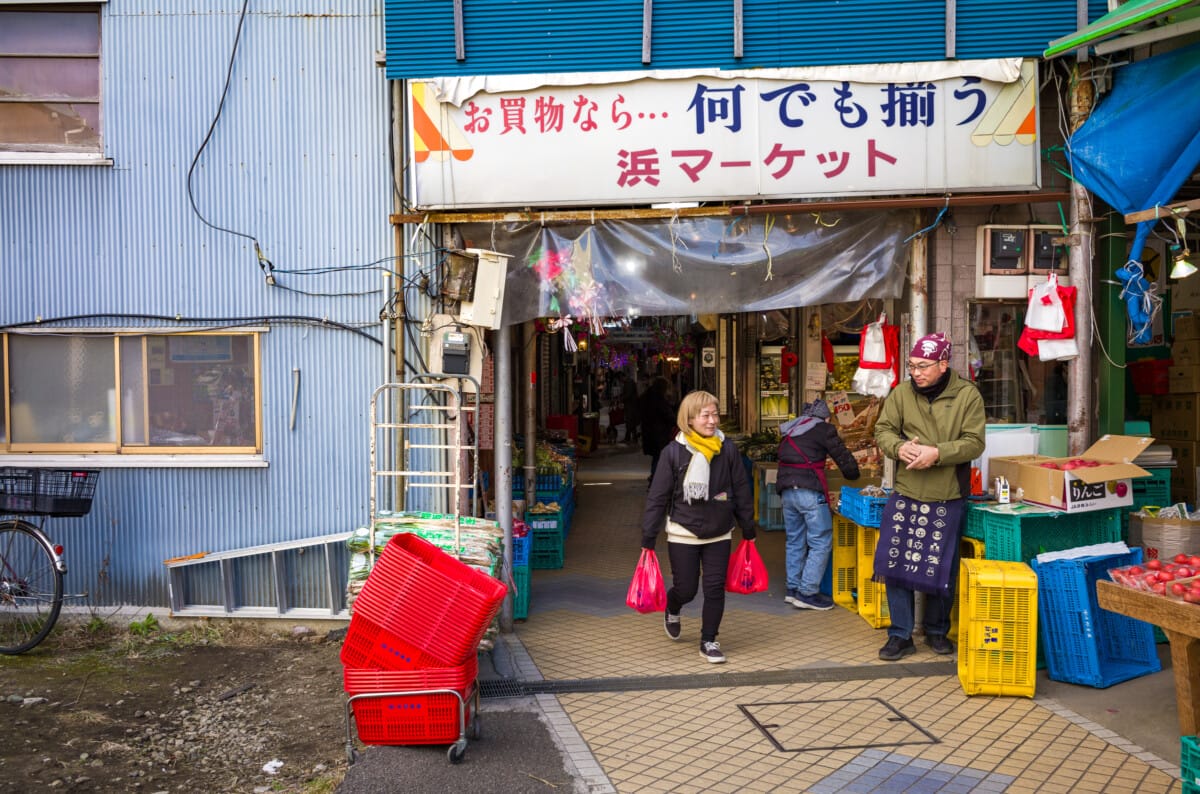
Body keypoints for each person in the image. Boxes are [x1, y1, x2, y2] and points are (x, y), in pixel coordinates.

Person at [873, 332, 986, 661]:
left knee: (942, 566)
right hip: (907, 491)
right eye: (912, 366)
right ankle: (900, 634)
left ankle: (937, 631)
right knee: (894, 563)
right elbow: (883, 430)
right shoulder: (901, 394)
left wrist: (937, 453)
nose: (916, 372)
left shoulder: (967, 395)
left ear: (943, 364)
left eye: (923, 366)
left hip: (947, 494)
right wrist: (900, 447)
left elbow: (975, 443)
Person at [641, 390, 756, 664]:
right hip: (683, 531)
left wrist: (748, 525)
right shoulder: (673, 453)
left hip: (720, 530)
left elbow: (741, 487)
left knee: (715, 588)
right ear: (689, 419)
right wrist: (648, 535)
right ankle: (673, 605)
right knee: (687, 588)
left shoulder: (727, 449)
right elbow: (658, 497)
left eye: (715, 414)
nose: (712, 420)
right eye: (706, 415)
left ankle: (709, 640)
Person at [775, 399, 860, 610]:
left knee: (794, 540)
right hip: (809, 491)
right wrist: (853, 475)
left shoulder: (791, 429)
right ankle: (807, 592)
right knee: (820, 541)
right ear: (825, 417)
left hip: (787, 491)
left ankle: (792, 589)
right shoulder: (823, 429)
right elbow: (842, 455)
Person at [639, 376, 676, 483]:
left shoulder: (646, 397)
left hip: (649, 432)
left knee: (657, 456)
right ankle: (655, 479)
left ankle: (654, 477)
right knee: (659, 456)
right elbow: (667, 415)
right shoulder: (659, 399)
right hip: (659, 434)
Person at [621, 372, 641, 444]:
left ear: (623, 377)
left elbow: (628, 394)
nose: (621, 381)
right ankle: (631, 437)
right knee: (631, 422)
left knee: (630, 421)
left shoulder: (628, 383)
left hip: (631, 405)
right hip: (632, 405)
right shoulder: (629, 382)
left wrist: (621, 398)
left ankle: (629, 438)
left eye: (621, 379)